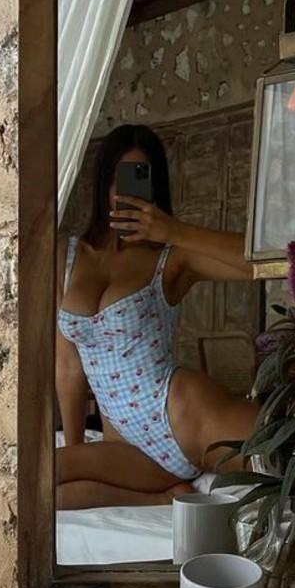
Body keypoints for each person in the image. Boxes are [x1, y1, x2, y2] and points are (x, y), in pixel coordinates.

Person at [56, 124, 258, 510]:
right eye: (117, 178)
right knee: (37, 485)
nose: (126, 192)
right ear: (103, 183)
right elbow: (67, 365)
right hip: (127, 448)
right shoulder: (67, 258)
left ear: (155, 186)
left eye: (139, 178)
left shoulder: (171, 257)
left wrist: (174, 231)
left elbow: (273, 262)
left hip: (183, 416)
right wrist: (76, 451)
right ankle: (164, 496)